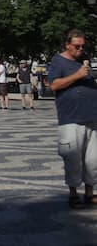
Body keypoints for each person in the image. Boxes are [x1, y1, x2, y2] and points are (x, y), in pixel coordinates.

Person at [47, 29, 97, 209]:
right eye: (77, 46)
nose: (80, 49)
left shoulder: (84, 61)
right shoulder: (58, 61)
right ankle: (73, 193)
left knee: (93, 159)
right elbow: (54, 85)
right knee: (73, 158)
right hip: (71, 119)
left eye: (83, 46)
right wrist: (77, 75)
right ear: (67, 44)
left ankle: (90, 192)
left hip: (92, 117)